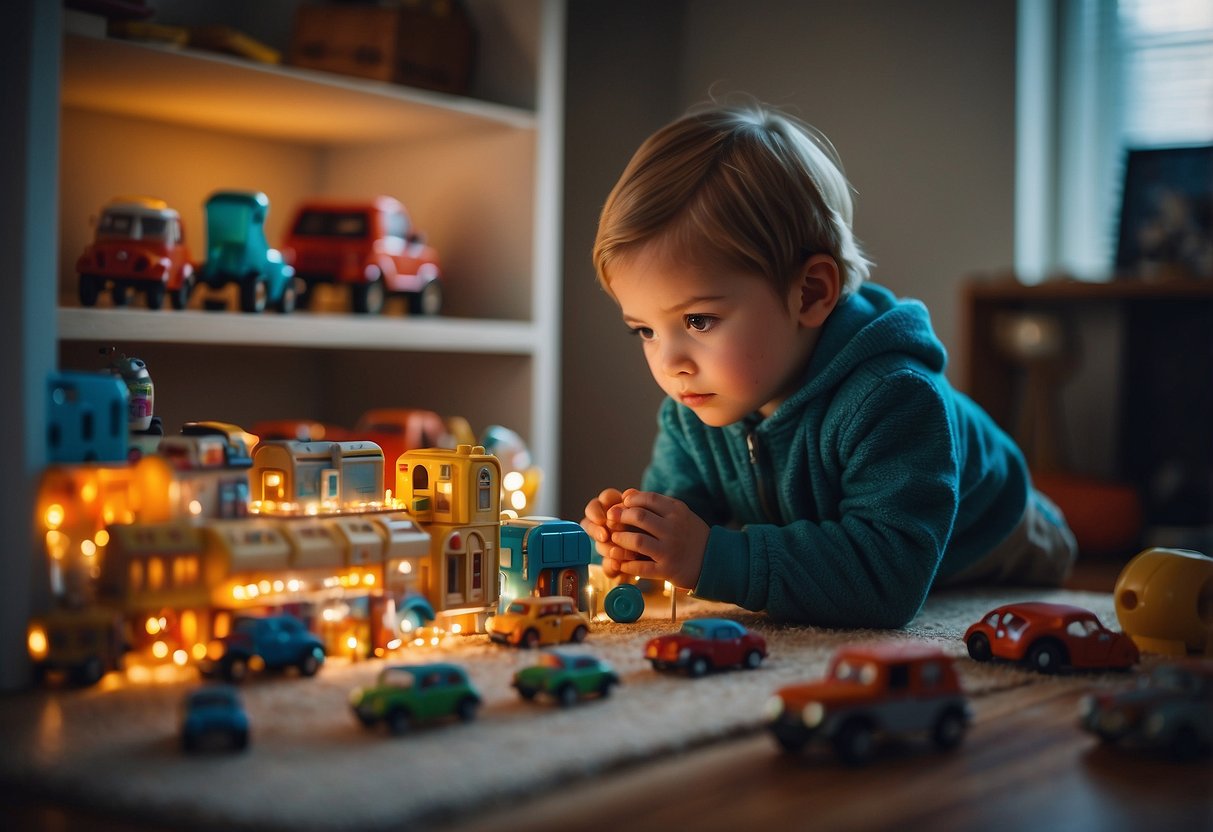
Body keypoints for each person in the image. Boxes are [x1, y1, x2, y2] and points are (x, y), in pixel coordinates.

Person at [580, 100, 1077, 628]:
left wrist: (712, 558)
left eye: (699, 321)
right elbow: (687, 517)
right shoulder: (691, 408)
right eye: (645, 331)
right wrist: (638, 537)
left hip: (996, 529)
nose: (669, 361)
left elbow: (887, 580)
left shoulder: (896, 396)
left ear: (811, 293)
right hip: (844, 517)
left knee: (1041, 560)